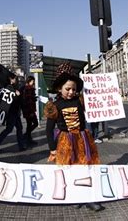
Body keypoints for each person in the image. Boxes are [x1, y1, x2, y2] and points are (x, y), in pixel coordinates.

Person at [44, 62, 102, 211]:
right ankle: (75, 196)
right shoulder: (54, 105)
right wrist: (52, 149)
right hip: (65, 141)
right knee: (69, 170)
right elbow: (49, 130)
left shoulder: (80, 101)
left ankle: (88, 197)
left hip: (82, 139)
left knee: (85, 168)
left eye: (74, 89)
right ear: (59, 88)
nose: (71, 92)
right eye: (67, 89)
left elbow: (94, 106)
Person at [0, 73, 26, 152]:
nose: (16, 80)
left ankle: (21, 146)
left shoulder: (12, 88)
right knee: (9, 129)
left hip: (15, 112)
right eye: (15, 79)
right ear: (10, 79)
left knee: (19, 128)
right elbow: (12, 100)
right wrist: (17, 95)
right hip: (12, 113)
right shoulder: (9, 89)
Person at [21, 76, 39, 146]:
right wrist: (31, 112)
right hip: (29, 111)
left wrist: (34, 98)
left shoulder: (25, 88)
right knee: (35, 123)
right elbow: (28, 101)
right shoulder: (29, 89)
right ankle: (26, 136)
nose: (33, 82)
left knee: (29, 125)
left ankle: (28, 138)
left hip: (26, 111)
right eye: (32, 81)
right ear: (29, 81)